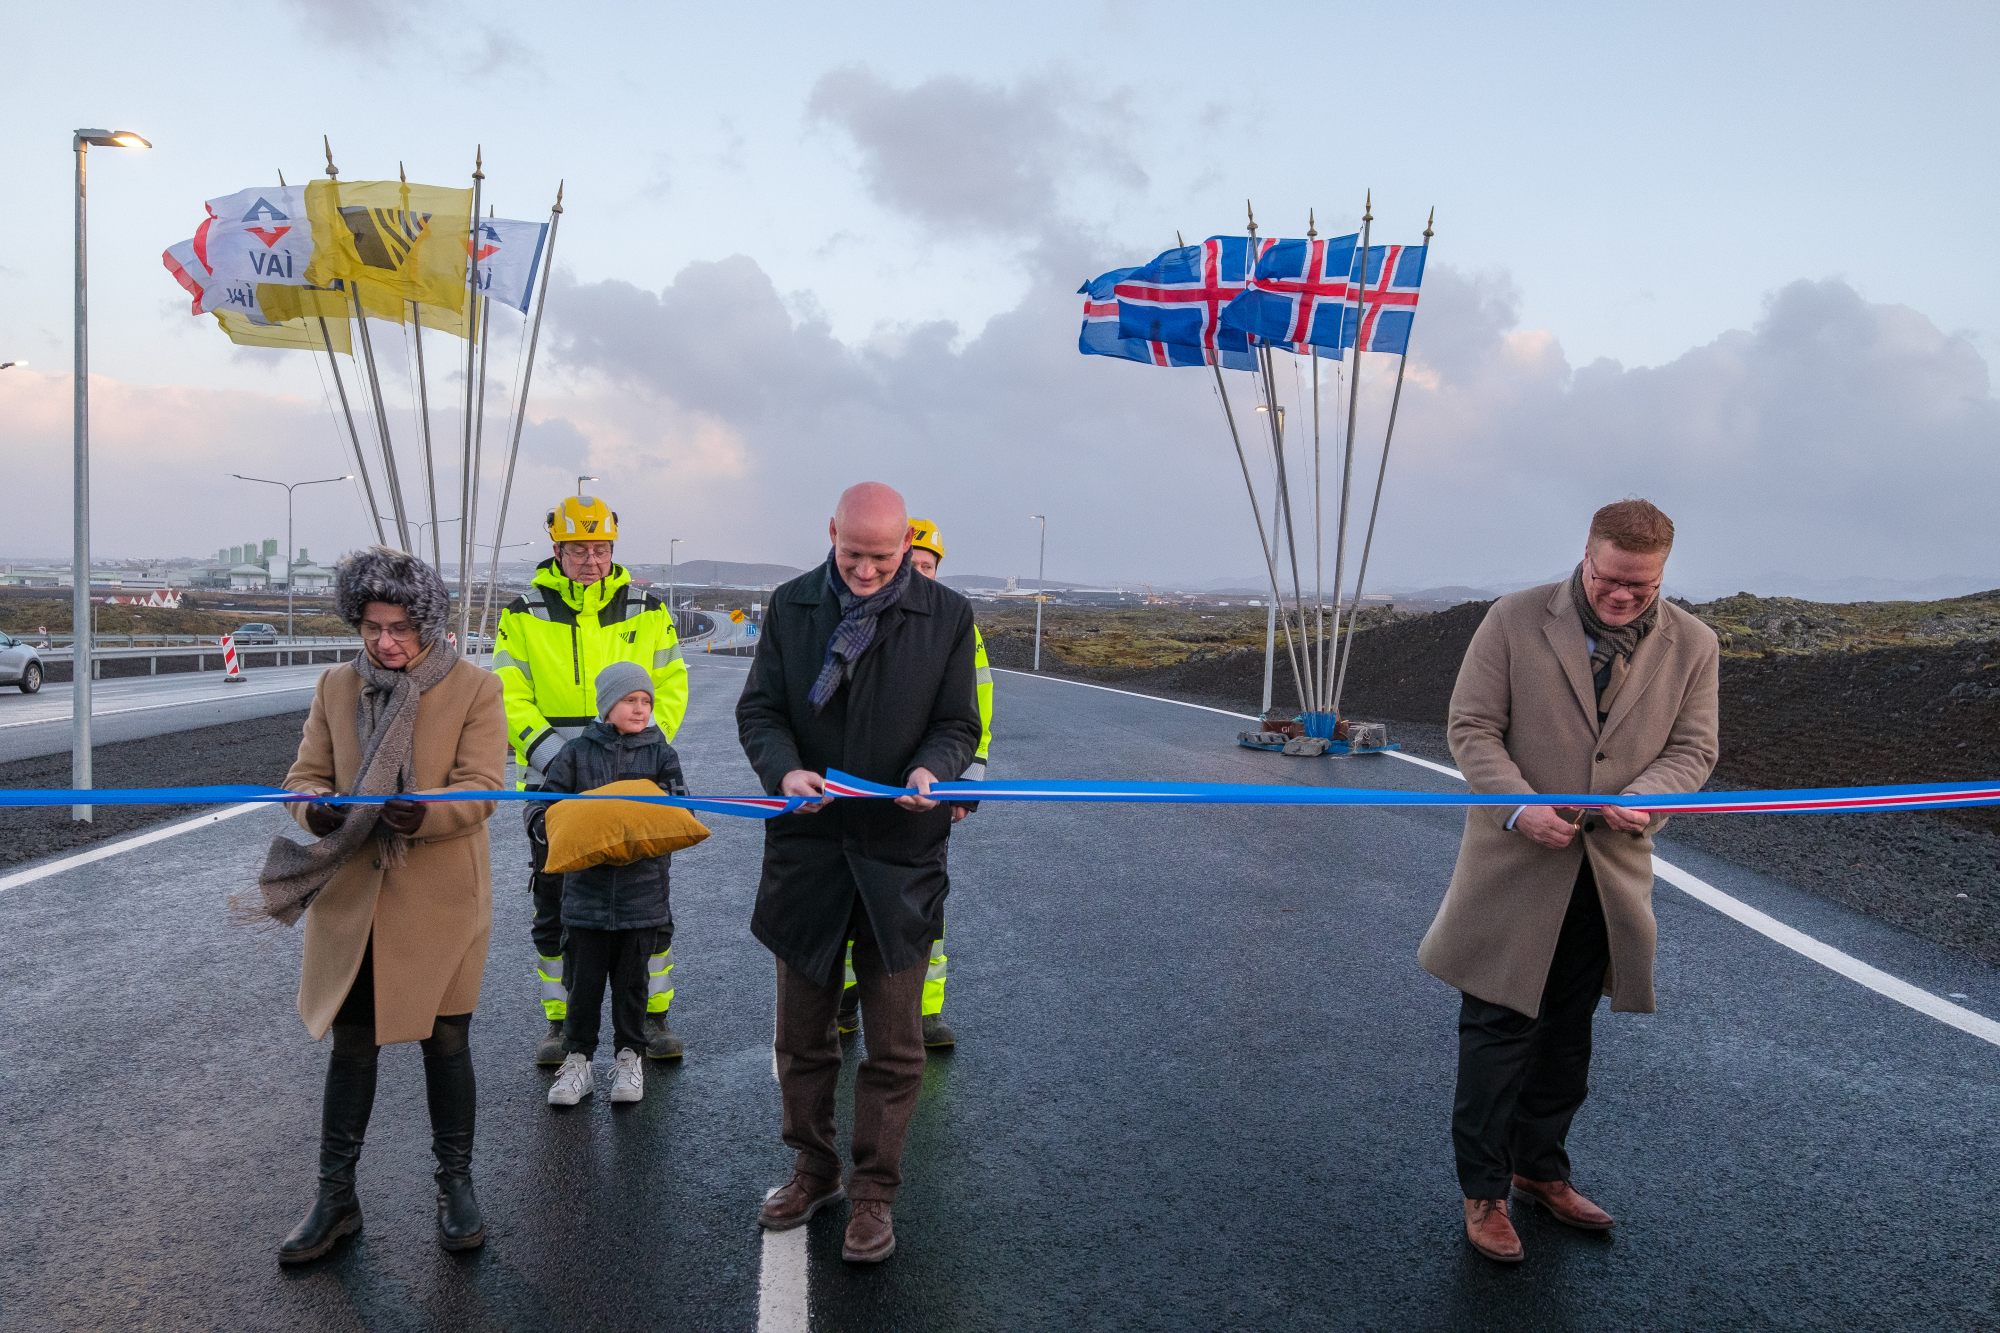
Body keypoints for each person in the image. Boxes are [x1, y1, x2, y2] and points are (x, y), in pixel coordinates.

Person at [1418, 499, 1719, 1263]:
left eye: (1642, 588)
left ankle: (1539, 1170)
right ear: (1586, 558)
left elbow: (1695, 749)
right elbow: (1471, 725)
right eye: (1611, 580)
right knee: (1497, 1034)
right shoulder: (1513, 619)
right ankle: (1483, 1194)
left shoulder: (1696, 644)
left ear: (1662, 574)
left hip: (1608, 875)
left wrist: (1645, 797)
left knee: (1567, 1036)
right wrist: (1519, 805)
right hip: (1516, 866)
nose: (1623, 597)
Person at [240, 547, 506, 1265]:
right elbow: (302, 777)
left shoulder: (476, 689)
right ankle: (336, 1199)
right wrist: (316, 814)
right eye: (371, 625)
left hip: (442, 901)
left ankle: (456, 1187)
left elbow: (483, 785)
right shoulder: (335, 686)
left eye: (398, 626)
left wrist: (424, 814)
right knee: (352, 1047)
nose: (384, 641)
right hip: (354, 898)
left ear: (429, 624)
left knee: (446, 1043)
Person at [737, 482, 980, 1266]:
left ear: (908, 542)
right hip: (808, 854)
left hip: (899, 856)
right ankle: (815, 1168)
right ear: (830, 532)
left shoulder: (946, 616)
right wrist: (783, 773)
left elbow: (958, 724)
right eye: (854, 555)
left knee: (895, 1043)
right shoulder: (790, 605)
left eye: (884, 556)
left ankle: (874, 1193)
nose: (869, 572)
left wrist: (931, 769)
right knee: (801, 1036)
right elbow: (762, 710)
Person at [492, 494, 690, 1066]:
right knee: (556, 904)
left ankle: (652, 1019)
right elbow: (508, 691)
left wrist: (646, 745)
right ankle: (561, 1024)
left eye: (600, 548)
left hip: (636, 782)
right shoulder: (523, 612)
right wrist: (553, 754)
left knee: (647, 903)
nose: (591, 560)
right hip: (558, 781)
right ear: (557, 549)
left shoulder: (646, 609)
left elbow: (670, 685)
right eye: (579, 549)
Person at [835, 517, 991, 1050]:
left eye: (929, 567)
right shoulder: (867, 618)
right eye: (914, 565)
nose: (921, 574)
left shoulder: (955, 625)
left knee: (925, 904)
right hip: (864, 789)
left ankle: (923, 1011)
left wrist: (965, 778)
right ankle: (848, 1000)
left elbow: (975, 712)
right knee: (854, 901)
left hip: (931, 788)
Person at [538, 662, 691, 1108]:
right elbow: (547, 806)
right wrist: (550, 831)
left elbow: (682, 811)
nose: (640, 709)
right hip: (584, 897)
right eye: (630, 700)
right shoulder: (575, 754)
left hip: (643, 895)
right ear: (607, 706)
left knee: (632, 985)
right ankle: (578, 1060)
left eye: (646, 701)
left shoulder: (662, 754)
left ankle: (629, 1057)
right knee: (582, 986)